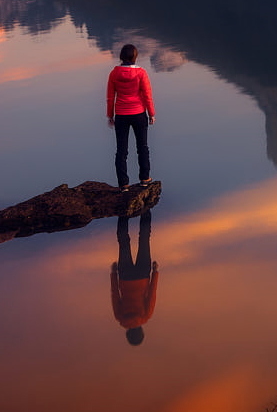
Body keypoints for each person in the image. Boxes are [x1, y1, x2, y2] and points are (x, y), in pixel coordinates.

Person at [106, 43, 155, 187]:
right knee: (143, 147)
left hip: (121, 114)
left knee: (121, 150)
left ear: (121, 56)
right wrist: (151, 113)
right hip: (139, 113)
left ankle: (123, 184)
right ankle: (144, 179)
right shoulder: (141, 73)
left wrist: (110, 115)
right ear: (135, 57)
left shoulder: (114, 73)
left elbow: (110, 97)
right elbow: (147, 96)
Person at [111, 210, 157, 346]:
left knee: (144, 239)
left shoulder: (145, 317)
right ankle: (123, 213)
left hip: (142, 275)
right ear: (128, 333)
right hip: (125, 277)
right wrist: (114, 274)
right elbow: (115, 295)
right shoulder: (120, 318)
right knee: (123, 241)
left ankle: (146, 209)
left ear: (141, 332)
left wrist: (155, 272)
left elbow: (152, 294)